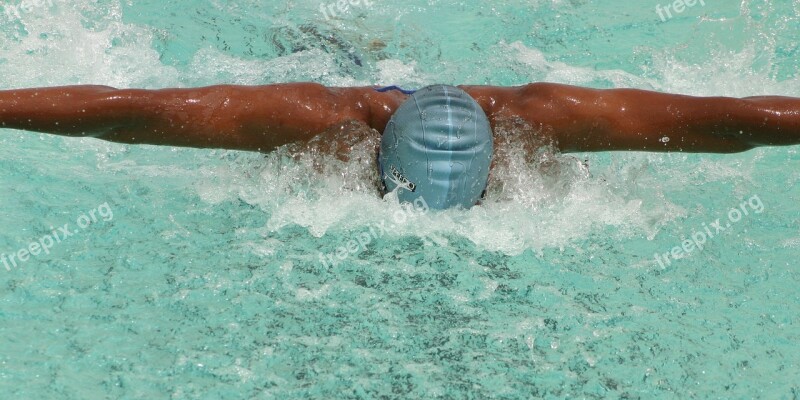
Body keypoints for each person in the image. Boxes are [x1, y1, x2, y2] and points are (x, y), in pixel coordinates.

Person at [1, 82, 799, 208]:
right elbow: (130, 111)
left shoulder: (547, 115)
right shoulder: (306, 119)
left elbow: (726, 121)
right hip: (338, 74)